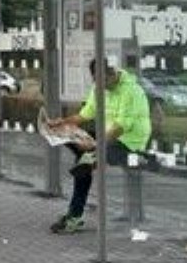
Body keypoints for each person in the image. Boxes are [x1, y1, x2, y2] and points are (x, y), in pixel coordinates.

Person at [49, 58, 152, 234]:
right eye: (97, 82)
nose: (101, 88)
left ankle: (74, 216)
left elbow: (120, 128)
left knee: (85, 162)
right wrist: (62, 124)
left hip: (131, 143)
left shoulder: (131, 91)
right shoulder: (99, 87)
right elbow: (85, 114)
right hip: (109, 137)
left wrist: (96, 145)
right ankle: (75, 214)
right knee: (78, 150)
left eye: (104, 82)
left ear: (112, 73)